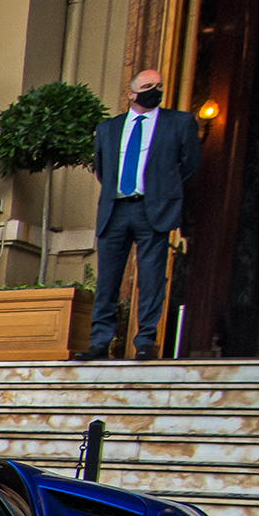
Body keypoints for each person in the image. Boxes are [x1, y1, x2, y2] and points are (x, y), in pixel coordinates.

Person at [86, 68, 201, 361]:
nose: (156, 89)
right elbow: (102, 169)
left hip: (153, 210)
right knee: (107, 280)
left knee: (151, 279)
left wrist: (162, 188)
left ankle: (146, 341)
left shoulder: (179, 122)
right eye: (149, 85)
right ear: (132, 93)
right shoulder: (108, 128)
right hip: (115, 209)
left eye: (159, 85)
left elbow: (189, 164)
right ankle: (100, 342)